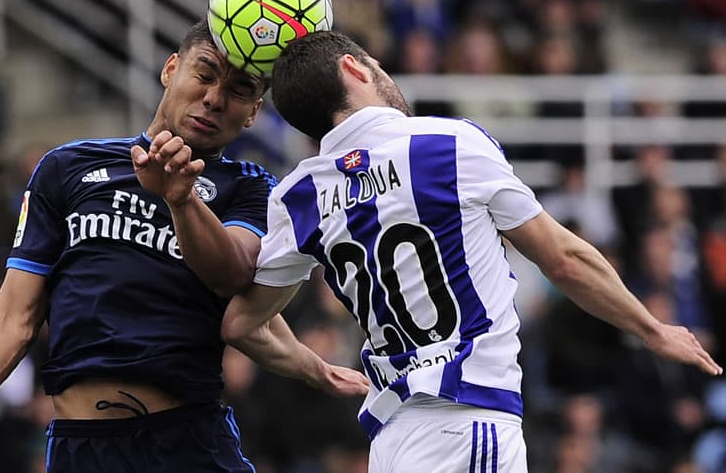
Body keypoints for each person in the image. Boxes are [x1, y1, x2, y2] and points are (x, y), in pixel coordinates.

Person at [220, 30, 723, 472]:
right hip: (469, 420)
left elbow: (242, 325)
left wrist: (317, 370)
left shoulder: (297, 195)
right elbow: (562, 259)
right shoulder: (447, 144)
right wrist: (652, 328)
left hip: (390, 443)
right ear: (355, 67)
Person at [0, 20, 368, 472]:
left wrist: (180, 200)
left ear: (253, 114)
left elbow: (236, 279)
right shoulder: (67, 168)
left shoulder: (249, 187)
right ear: (170, 68)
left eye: (240, 92)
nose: (215, 98)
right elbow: (12, 317)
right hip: (83, 448)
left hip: (186, 441)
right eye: (205, 73)